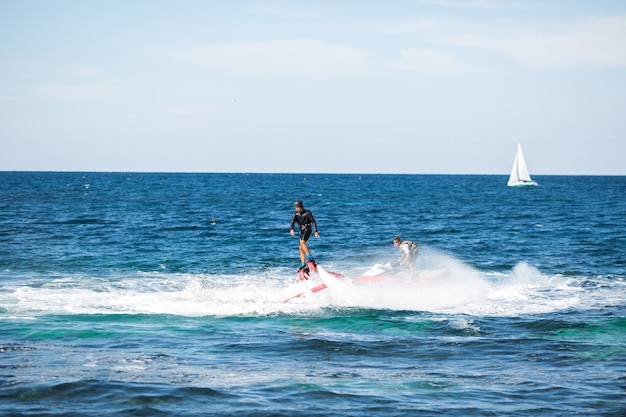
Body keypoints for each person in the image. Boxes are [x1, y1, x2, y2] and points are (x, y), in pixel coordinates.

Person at [290, 200, 320, 268]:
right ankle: (303, 264)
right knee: (300, 248)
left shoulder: (307, 213)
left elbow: (314, 222)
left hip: (308, 230)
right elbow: (292, 222)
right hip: (302, 231)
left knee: (302, 243)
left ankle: (310, 257)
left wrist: (316, 231)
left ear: (301, 207)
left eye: (298, 207)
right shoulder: (296, 214)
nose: (296, 209)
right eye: (295, 207)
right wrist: (292, 229)